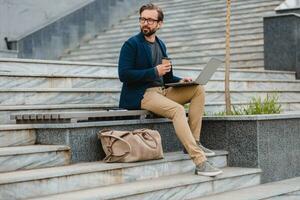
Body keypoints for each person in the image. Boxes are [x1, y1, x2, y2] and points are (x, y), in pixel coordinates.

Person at [118, 3, 222, 177]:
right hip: (143, 94)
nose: (146, 23)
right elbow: (124, 74)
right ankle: (200, 161)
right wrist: (153, 71)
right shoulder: (131, 44)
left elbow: (166, 78)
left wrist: (180, 80)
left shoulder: (160, 45)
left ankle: (194, 141)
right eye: (143, 19)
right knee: (178, 110)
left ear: (159, 24)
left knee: (198, 89)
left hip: (162, 91)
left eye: (150, 20)